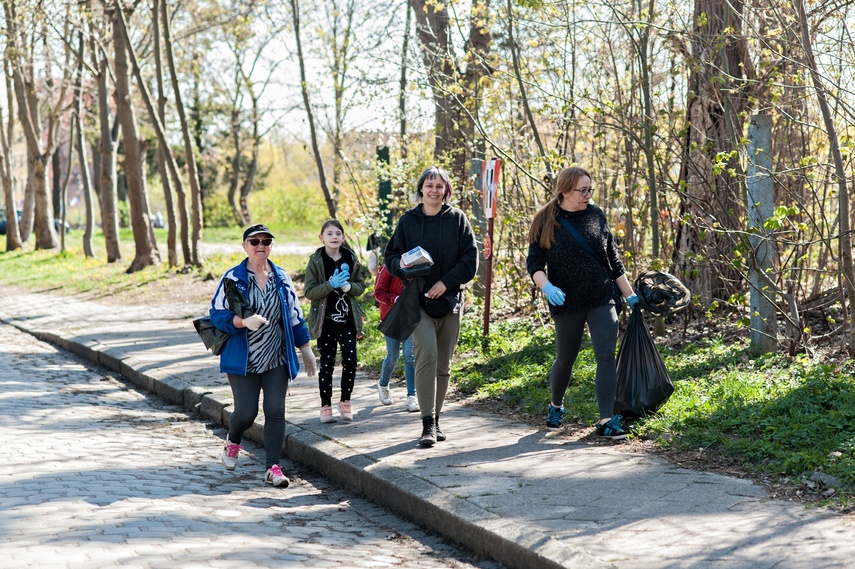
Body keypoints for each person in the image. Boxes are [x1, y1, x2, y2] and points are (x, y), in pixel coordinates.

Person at [526, 166, 640, 440]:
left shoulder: (596, 215)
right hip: (567, 299)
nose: (587, 195)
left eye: (590, 189)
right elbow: (534, 264)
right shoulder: (545, 220)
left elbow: (613, 259)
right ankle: (556, 405)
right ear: (565, 190)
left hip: (602, 295)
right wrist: (547, 286)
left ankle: (606, 419)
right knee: (566, 358)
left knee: (605, 356)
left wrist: (629, 294)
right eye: (582, 190)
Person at [209, 224, 317, 487]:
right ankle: (233, 440)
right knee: (246, 414)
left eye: (266, 241)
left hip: (276, 356)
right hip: (243, 358)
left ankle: (273, 467)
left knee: (275, 409)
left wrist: (306, 350)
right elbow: (216, 314)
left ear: (271, 246)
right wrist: (241, 321)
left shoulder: (281, 278)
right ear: (245, 246)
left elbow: (294, 316)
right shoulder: (232, 278)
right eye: (254, 241)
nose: (261, 246)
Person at [384, 166, 478, 447]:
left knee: (444, 365)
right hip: (418, 303)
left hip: (450, 302)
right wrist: (400, 265)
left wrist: (446, 283)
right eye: (429, 185)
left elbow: (470, 260)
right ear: (421, 188)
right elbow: (391, 256)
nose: (434, 190)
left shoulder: (458, 220)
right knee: (427, 356)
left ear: (446, 190)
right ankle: (427, 424)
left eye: (439, 186)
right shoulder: (408, 221)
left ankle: (436, 420)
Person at [304, 219, 366, 424]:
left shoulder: (351, 258)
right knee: (328, 364)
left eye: (338, 233)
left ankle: (345, 402)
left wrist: (349, 287)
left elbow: (361, 286)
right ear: (321, 237)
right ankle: (325, 406)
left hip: (347, 321)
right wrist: (330, 285)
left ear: (343, 237)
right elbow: (310, 292)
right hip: (326, 322)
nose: (334, 237)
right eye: (329, 234)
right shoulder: (316, 261)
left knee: (350, 360)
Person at [374, 264, 418, 412]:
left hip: (411, 318)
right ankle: (383, 384)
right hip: (391, 318)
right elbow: (378, 293)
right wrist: (396, 299)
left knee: (409, 355)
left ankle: (412, 396)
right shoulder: (388, 267)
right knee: (393, 358)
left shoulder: (420, 265)